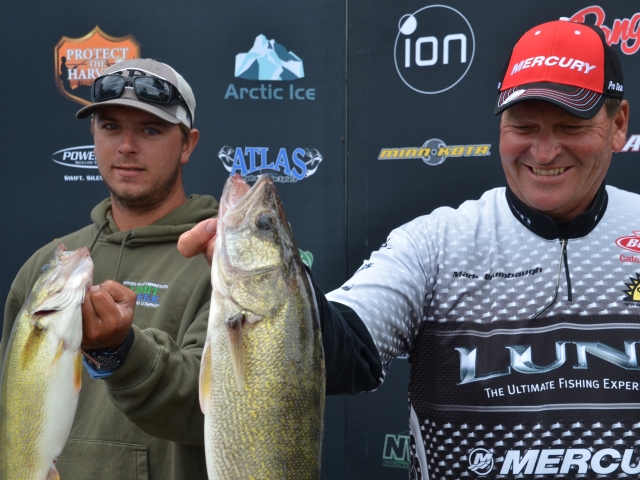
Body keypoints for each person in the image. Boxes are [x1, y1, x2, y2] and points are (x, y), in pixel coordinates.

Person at [179, 19, 640, 478]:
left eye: (570, 127)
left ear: (618, 124)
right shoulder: (436, 243)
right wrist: (269, 277)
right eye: (523, 126)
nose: (543, 151)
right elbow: (341, 350)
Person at [1, 58, 217, 480]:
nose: (126, 146)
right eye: (111, 126)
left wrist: (122, 352)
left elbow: (216, 412)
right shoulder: (45, 267)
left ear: (187, 144)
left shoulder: (220, 264)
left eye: (150, 130)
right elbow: (11, 415)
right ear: (93, 135)